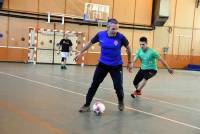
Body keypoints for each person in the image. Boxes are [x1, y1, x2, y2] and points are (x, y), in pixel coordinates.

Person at [74, 18, 132, 112]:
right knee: (94, 85)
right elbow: (89, 43)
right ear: (107, 27)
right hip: (102, 65)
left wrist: (130, 62)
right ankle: (87, 104)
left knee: (118, 87)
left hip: (116, 66)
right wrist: (80, 53)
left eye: (117, 29)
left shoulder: (121, 37)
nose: (115, 31)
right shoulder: (100, 35)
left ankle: (121, 101)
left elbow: (129, 48)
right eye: (113, 29)